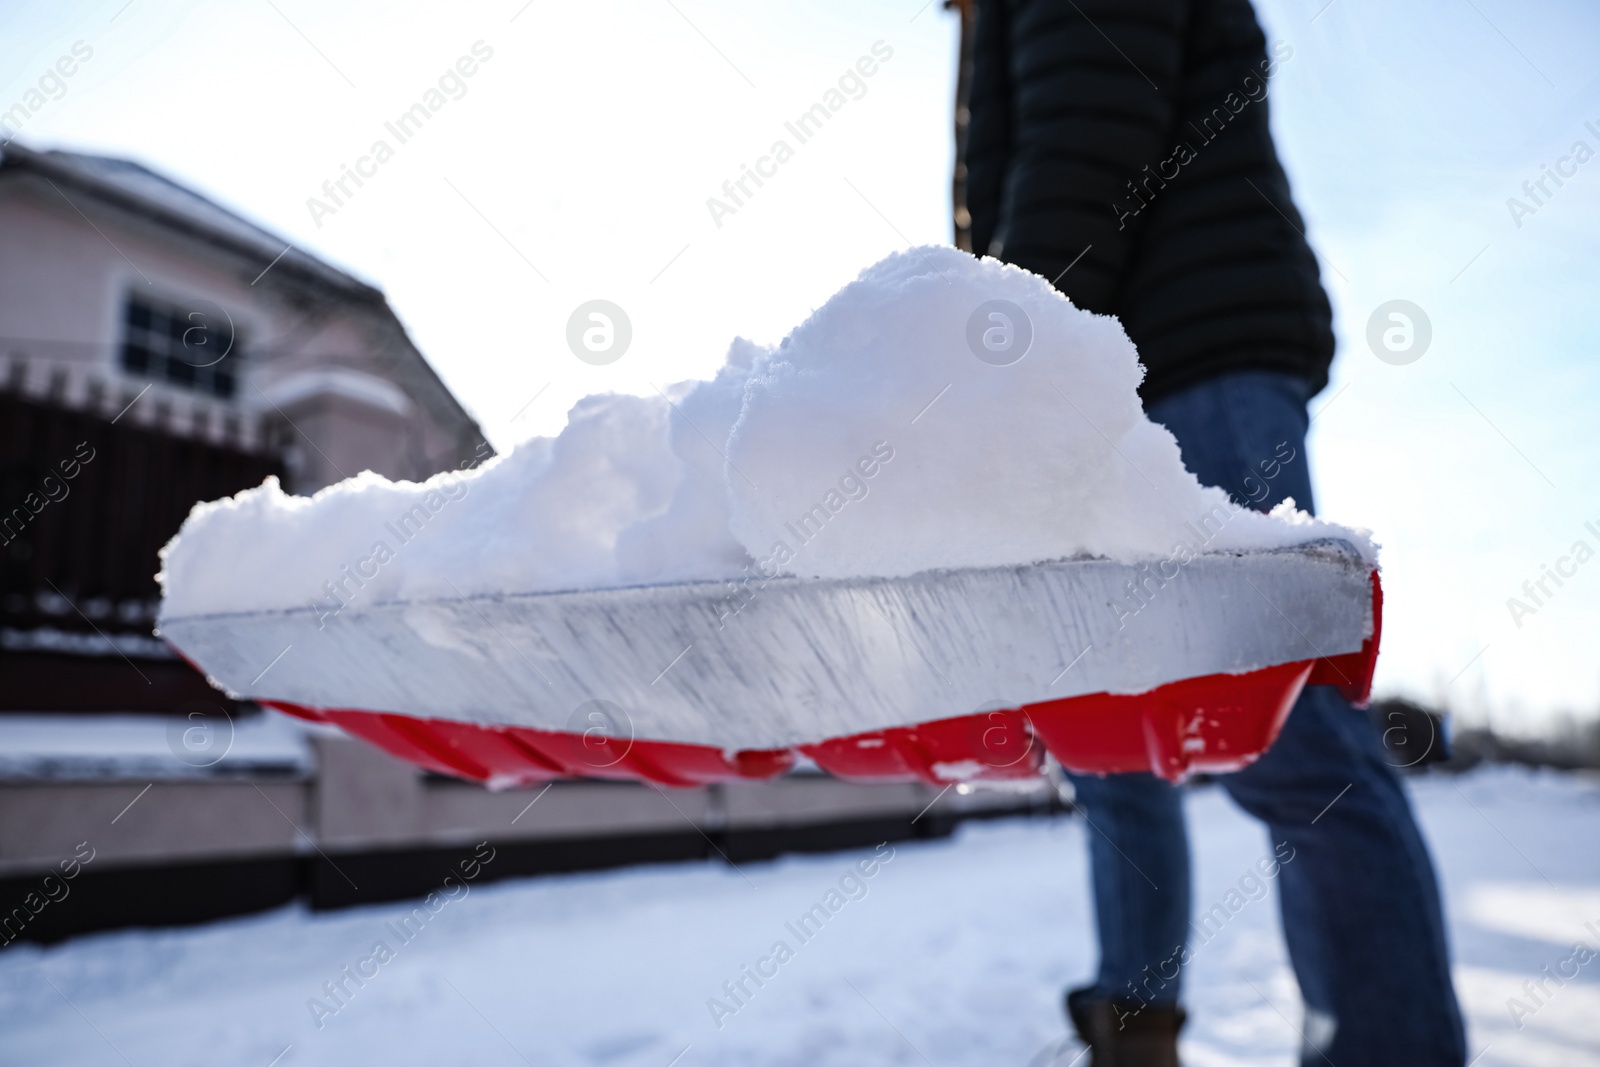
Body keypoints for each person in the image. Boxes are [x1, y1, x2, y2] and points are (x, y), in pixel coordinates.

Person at [961, 1, 1468, 1064]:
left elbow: (1087, 135)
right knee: (1106, 733)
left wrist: (1006, 362)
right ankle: (1132, 1030)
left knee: (1283, 726)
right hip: (1116, 368)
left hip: (1187, 353)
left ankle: (1386, 1045)